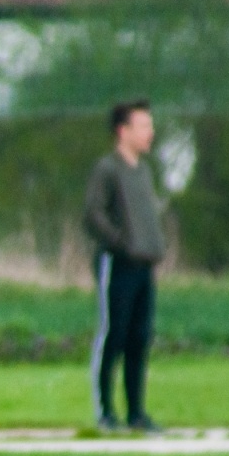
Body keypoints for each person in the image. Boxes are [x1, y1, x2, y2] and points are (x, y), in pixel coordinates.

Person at [84, 99, 167, 433]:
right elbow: (93, 215)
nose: (151, 132)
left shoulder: (143, 172)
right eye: (144, 125)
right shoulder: (108, 169)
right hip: (118, 265)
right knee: (113, 335)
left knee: (139, 337)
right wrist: (121, 242)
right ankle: (106, 412)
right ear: (124, 131)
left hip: (144, 266)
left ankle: (136, 412)